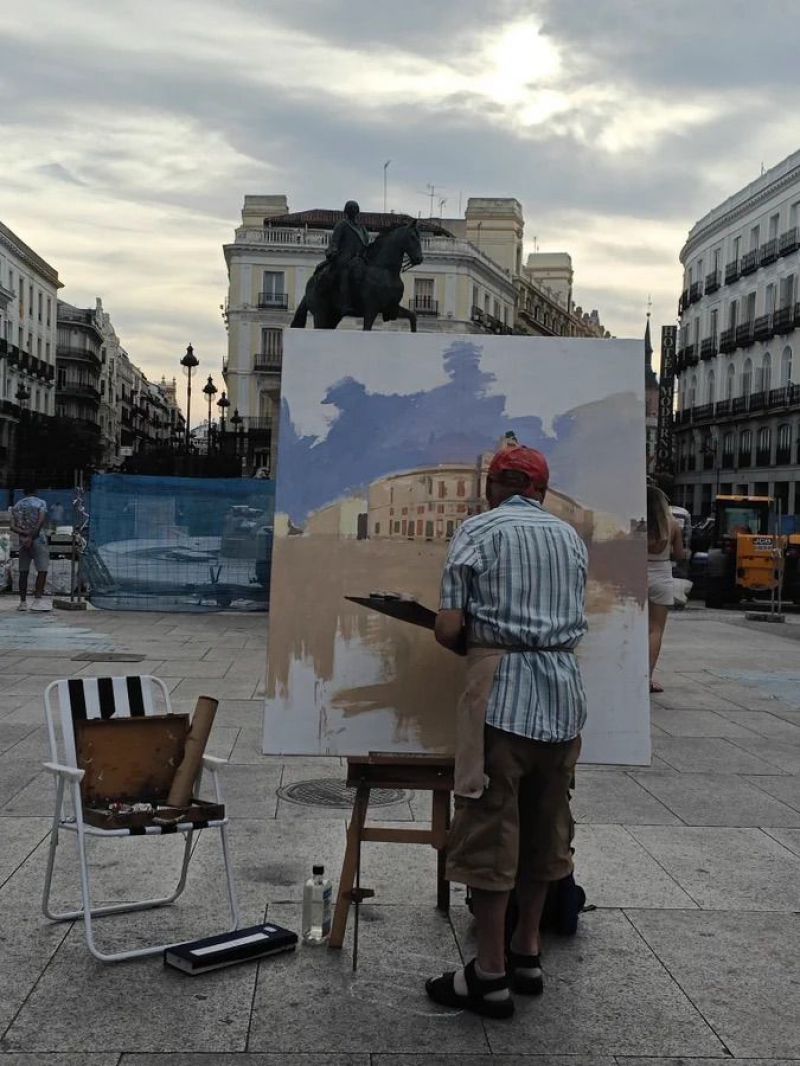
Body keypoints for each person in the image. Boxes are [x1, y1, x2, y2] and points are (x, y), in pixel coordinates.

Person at [426, 446, 588, 1020]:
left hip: (501, 698)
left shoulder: (477, 531)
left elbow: (448, 628)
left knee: (491, 827)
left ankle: (489, 975)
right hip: (564, 696)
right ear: (541, 491)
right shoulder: (569, 538)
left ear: (493, 487)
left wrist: (464, 631)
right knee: (548, 825)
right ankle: (527, 953)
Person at [647, 484, 685, 693]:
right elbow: (680, 556)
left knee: (633, 628)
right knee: (655, 629)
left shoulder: (638, 522)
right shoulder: (672, 524)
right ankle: (648, 677)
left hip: (636, 574)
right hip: (661, 576)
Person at [323, 200, 369, 313]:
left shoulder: (362, 228)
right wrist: (333, 251)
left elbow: (366, 243)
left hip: (360, 258)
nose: (354, 211)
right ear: (347, 211)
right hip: (345, 257)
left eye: (355, 209)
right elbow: (334, 242)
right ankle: (344, 302)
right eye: (351, 209)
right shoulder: (342, 225)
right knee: (345, 273)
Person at [10, 488, 52, 612]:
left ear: (24, 492)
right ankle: (37, 600)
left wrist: (24, 534)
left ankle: (23, 602)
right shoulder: (41, 503)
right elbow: (40, 521)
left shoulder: (17, 506)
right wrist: (32, 536)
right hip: (39, 539)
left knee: (23, 571)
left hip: (23, 542)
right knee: (42, 569)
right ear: (36, 491)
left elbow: (12, 526)